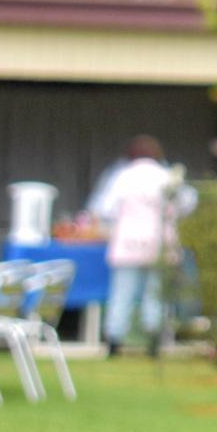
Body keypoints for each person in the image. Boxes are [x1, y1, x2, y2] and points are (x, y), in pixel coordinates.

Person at [93, 135, 181, 356]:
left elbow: (104, 208)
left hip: (128, 242)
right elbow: (184, 205)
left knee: (122, 292)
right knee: (155, 293)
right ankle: (153, 340)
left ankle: (114, 340)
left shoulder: (123, 177)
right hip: (159, 242)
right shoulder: (166, 176)